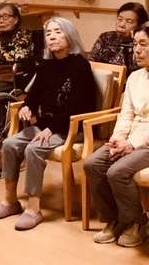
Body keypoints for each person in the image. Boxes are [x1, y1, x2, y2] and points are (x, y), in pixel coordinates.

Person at [0, 17, 95, 231]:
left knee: (33, 149)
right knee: (9, 144)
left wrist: (51, 128)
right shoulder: (46, 65)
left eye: (58, 32)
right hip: (46, 127)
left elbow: (78, 106)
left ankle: (33, 209)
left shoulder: (80, 66)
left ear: (70, 36)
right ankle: (10, 201)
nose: (52, 36)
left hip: (71, 128)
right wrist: (27, 106)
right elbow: (34, 94)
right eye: (49, 33)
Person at [83, 23, 149, 248]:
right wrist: (119, 138)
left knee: (117, 172)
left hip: (145, 143)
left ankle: (137, 222)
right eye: (135, 44)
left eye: (143, 44)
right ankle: (115, 219)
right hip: (130, 137)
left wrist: (132, 144)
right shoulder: (135, 77)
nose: (137, 50)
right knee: (92, 164)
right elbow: (126, 113)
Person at [0, 3, 35, 91]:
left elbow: (18, 57)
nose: (1, 21)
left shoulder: (24, 35)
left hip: (14, 76)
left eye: (5, 17)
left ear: (16, 19)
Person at [91, 2, 148, 73]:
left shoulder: (143, 42)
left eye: (129, 21)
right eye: (120, 19)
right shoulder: (106, 38)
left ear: (140, 25)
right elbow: (92, 63)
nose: (121, 25)